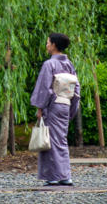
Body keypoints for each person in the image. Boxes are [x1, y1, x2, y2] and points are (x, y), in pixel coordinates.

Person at [30, 33, 80, 186]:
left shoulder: (49, 64)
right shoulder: (69, 64)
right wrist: (73, 106)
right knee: (60, 139)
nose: (46, 45)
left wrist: (40, 107)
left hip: (53, 105)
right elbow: (76, 88)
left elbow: (45, 88)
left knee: (50, 140)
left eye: (48, 43)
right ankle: (64, 175)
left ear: (54, 45)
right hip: (65, 103)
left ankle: (55, 176)